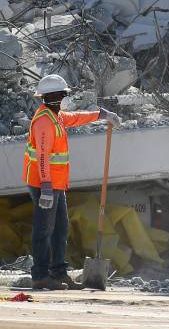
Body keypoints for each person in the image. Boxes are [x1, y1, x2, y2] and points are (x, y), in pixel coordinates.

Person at [23, 74, 121, 290]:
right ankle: (40, 275)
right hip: (43, 184)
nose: (58, 99)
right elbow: (42, 156)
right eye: (54, 96)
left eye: (61, 95)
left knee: (60, 228)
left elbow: (75, 117)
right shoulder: (44, 121)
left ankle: (58, 272)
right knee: (44, 229)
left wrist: (101, 114)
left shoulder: (56, 116)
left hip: (55, 184)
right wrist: (47, 187)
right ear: (45, 98)